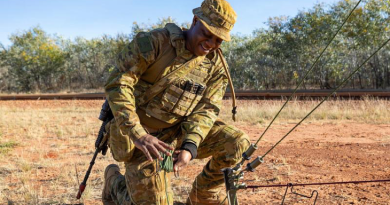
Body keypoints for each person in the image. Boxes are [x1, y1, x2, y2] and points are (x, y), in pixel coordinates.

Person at [102, 0, 250, 204]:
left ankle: (203, 196)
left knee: (238, 143)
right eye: (207, 34)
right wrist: (138, 134)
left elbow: (207, 109)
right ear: (195, 20)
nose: (211, 44)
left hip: (178, 131)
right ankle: (115, 184)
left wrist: (190, 147)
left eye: (218, 40)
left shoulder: (215, 66)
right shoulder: (154, 43)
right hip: (143, 138)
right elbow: (119, 84)